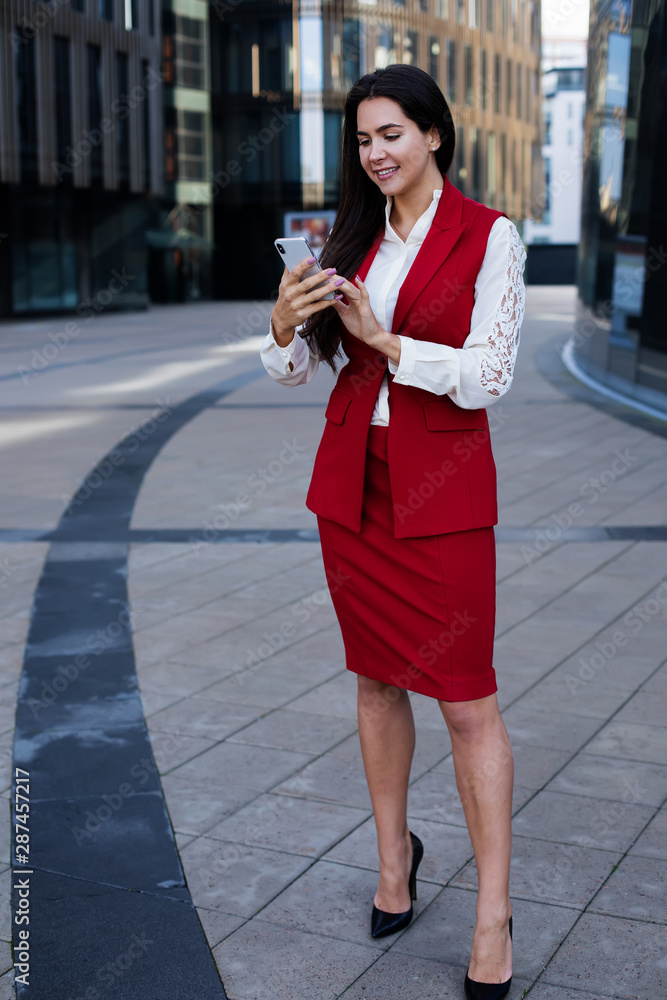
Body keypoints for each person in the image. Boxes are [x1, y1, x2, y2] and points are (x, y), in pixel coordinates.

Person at [260, 63, 525, 1000]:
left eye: (391, 135)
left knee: (465, 699)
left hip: (443, 496)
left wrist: (388, 342)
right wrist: (286, 329)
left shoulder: (489, 236)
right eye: (363, 139)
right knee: (375, 682)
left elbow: (489, 373)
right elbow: (298, 371)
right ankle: (392, 861)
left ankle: (492, 911)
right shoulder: (348, 237)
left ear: (434, 136)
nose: (375, 153)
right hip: (354, 493)